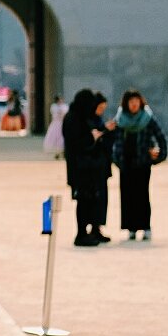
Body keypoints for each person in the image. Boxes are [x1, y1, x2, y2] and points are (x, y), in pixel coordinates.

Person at [110, 89, 167, 240]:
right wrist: (116, 158)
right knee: (127, 196)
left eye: (136, 101)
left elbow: (160, 136)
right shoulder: (120, 118)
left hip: (142, 163)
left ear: (141, 102)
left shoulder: (147, 117)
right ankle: (131, 227)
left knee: (142, 195)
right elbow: (113, 140)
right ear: (126, 103)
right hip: (126, 163)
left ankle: (145, 226)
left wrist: (159, 155)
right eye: (131, 102)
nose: (134, 104)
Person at [62, 90, 114, 245]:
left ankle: (90, 232)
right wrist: (92, 137)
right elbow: (76, 143)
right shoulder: (73, 118)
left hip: (89, 167)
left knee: (91, 200)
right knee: (83, 201)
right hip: (80, 168)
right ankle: (81, 233)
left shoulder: (80, 116)